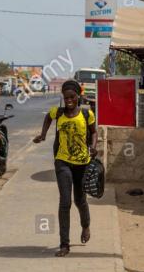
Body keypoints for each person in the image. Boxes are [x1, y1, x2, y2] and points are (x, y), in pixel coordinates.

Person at [33, 79, 98, 257]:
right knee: (65, 202)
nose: (68, 100)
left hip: (82, 163)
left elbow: (94, 132)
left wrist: (93, 146)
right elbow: (48, 117)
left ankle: (85, 225)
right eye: (65, 97)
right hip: (62, 162)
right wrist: (43, 134)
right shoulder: (58, 112)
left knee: (80, 200)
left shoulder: (86, 114)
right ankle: (64, 244)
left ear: (78, 96)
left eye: (72, 97)